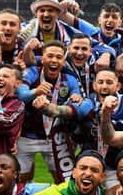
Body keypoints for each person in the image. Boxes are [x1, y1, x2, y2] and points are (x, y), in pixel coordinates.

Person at [15, 40, 84, 183]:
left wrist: (76, 97)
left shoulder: (69, 79)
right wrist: (36, 91)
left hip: (56, 137)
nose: (54, 60)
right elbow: (20, 95)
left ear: (64, 61)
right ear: (43, 58)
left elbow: (76, 99)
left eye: (59, 57)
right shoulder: (32, 72)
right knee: (21, 179)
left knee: (64, 180)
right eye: (50, 56)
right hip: (28, 136)